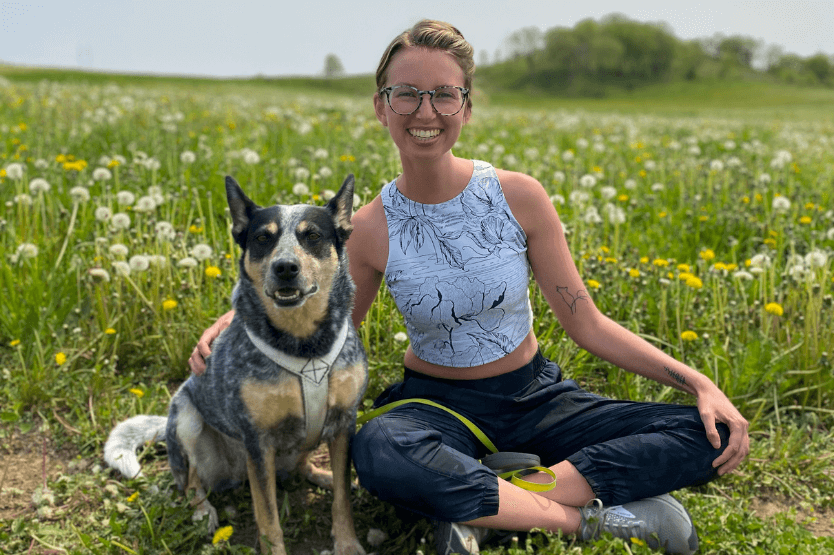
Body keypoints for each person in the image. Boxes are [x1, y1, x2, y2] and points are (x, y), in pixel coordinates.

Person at [189, 19, 749, 555]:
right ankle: (587, 519)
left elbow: (588, 324)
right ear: (381, 106)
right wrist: (235, 324)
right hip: (437, 404)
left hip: (536, 397)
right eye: (405, 93)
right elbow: (327, 327)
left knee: (713, 433)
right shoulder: (369, 228)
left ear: (467, 108)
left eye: (444, 94)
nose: (424, 111)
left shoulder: (520, 197)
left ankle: (485, 501)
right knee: (379, 452)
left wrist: (698, 382)